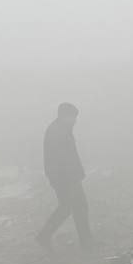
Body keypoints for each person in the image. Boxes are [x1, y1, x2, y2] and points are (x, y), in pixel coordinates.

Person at [36, 102, 92, 251]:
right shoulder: (57, 132)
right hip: (66, 179)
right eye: (73, 117)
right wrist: (72, 178)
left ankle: (44, 236)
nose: (75, 120)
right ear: (63, 116)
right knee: (78, 207)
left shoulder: (61, 129)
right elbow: (62, 160)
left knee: (68, 207)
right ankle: (86, 243)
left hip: (66, 177)